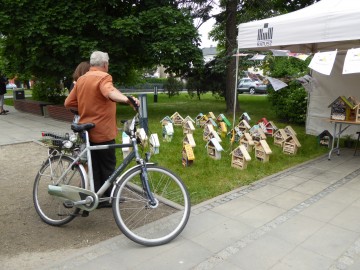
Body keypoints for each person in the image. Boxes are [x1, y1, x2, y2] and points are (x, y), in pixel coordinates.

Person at [64, 51, 139, 206]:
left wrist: (85, 108)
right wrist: (127, 100)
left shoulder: (82, 79)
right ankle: (110, 197)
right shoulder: (104, 77)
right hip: (103, 131)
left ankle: (99, 199)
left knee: (95, 166)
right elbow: (109, 91)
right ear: (105, 64)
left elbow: (68, 103)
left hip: (87, 131)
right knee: (108, 165)